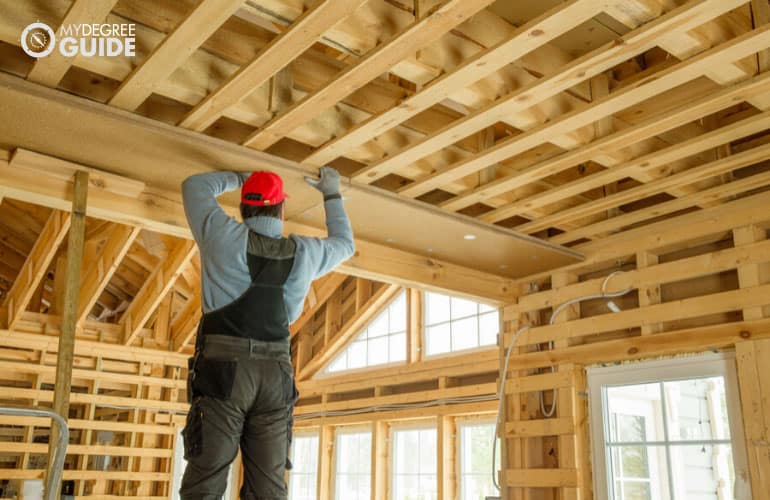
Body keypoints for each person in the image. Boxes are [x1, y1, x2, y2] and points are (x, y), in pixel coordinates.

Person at [178, 166, 354, 500]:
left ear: (243, 207)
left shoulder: (221, 234)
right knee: (269, 488)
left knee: (207, 480)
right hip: (275, 376)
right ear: (281, 209)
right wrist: (331, 191)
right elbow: (345, 245)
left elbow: (194, 185)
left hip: (224, 372)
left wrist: (238, 177)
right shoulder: (305, 252)